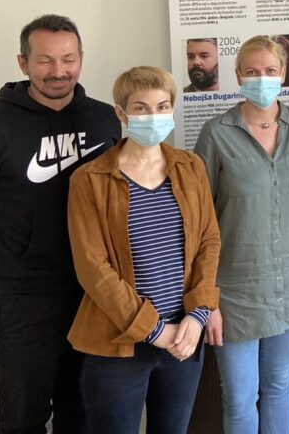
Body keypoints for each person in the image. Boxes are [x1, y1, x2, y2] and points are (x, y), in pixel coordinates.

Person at [0, 14, 121, 434]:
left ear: (81, 58)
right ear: (23, 63)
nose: (59, 71)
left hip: (94, 294)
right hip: (22, 303)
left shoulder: (104, 120)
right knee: (23, 419)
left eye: (68, 59)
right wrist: (4, 259)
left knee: (84, 415)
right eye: (45, 60)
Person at [66, 66, 221, 434]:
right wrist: (153, 329)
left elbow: (208, 242)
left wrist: (198, 314)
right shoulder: (89, 179)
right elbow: (92, 267)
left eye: (162, 106)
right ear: (121, 113)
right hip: (118, 345)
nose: (153, 116)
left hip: (183, 337)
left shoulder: (191, 167)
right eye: (141, 108)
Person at [195, 36, 289, 434]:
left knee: (279, 385)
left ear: (283, 74)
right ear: (238, 76)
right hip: (234, 291)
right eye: (252, 72)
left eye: (270, 71)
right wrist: (207, 300)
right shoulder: (215, 133)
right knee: (240, 398)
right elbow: (200, 222)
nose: (262, 78)